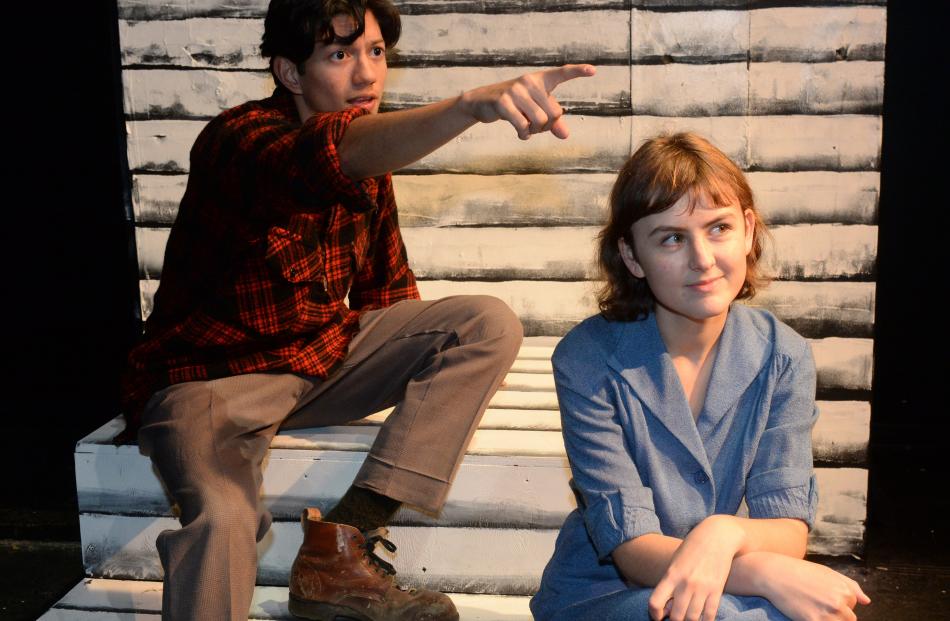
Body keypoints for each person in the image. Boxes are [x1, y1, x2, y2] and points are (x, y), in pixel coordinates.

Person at [119, 0, 595, 619]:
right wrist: (467, 107)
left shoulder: (374, 162)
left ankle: (342, 544)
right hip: (211, 384)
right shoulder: (239, 140)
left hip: (317, 364)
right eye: (340, 55)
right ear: (290, 73)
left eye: (375, 53)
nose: (368, 75)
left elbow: (388, 298)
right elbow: (325, 157)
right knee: (224, 518)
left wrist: (416, 371)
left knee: (482, 323)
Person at [530, 133, 871, 621]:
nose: (703, 259)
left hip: (722, 583)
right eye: (672, 238)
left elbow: (787, 527)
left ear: (748, 231)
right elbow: (631, 549)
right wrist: (764, 573)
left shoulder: (784, 356)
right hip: (606, 593)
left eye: (719, 228)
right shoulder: (586, 359)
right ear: (631, 256)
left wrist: (725, 532)